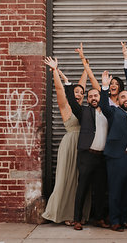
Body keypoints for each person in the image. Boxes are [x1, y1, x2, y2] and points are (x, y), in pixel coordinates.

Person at [42, 57, 87, 225]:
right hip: (70, 145)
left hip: (83, 145)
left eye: (81, 93)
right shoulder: (66, 107)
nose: (79, 94)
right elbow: (60, 91)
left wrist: (86, 67)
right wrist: (55, 71)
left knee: (79, 181)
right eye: (75, 92)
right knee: (66, 179)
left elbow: (81, 85)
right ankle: (65, 213)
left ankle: (78, 213)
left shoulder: (84, 109)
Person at [69, 46, 108, 230]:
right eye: (90, 95)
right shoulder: (83, 111)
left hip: (102, 156)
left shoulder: (108, 112)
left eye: (96, 95)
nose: (93, 97)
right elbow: (70, 100)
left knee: (100, 189)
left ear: (100, 97)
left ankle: (98, 218)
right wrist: (65, 80)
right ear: (87, 99)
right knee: (82, 187)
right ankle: (77, 219)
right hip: (86, 155)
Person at [99, 72, 127, 232]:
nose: (126, 99)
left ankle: (123, 219)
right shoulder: (114, 112)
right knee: (116, 190)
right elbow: (103, 106)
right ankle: (115, 221)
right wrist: (104, 87)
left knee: (126, 191)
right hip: (117, 157)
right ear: (118, 100)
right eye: (123, 97)